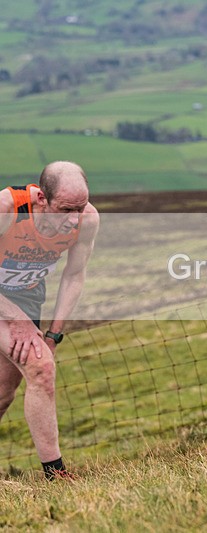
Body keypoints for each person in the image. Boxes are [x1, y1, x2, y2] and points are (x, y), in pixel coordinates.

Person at [0, 161, 99, 479]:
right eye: (66, 209)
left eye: (80, 208)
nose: (74, 218)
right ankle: (56, 474)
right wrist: (17, 321)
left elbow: (74, 275)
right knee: (40, 367)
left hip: (24, 298)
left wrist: (54, 334)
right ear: (41, 198)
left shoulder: (87, 220)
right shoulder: (8, 209)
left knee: (3, 390)